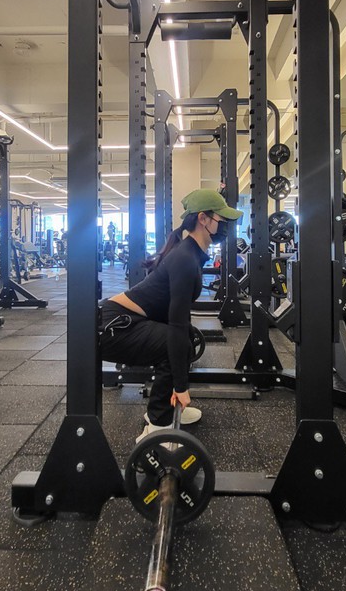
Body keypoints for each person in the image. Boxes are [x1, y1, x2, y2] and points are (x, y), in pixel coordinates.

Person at [100, 188, 243, 441]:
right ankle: (157, 426)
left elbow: (179, 319)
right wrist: (181, 385)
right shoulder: (185, 258)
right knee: (174, 343)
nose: (226, 227)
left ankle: (166, 406)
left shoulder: (192, 253)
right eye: (222, 220)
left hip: (127, 320)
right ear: (203, 219)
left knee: (183, 340)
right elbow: (176, 324)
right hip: (112, 326)